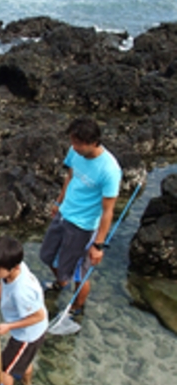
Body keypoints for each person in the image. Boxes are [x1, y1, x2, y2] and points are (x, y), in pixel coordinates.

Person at [40, 117, 122, 315]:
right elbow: (70, 176)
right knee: (47, 256)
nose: (73, 147)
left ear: (94, 143)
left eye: (78, 143)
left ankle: (76, 309)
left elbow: (108, 211)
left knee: (79, 273)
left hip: (84, 227)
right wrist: (59, 202)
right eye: (72, 141)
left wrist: (98, 245)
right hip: (64, 214)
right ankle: (61, 283)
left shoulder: (110, 170)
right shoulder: (75, 152)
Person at [0, 236, 48, 385]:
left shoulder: (21, 292)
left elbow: (38, 316)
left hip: (27, 336)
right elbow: (4, 281)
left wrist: (9, 326)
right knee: (23, 361)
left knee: (4, 369)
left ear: (14, 267)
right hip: (33, 332)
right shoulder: (16, 267)